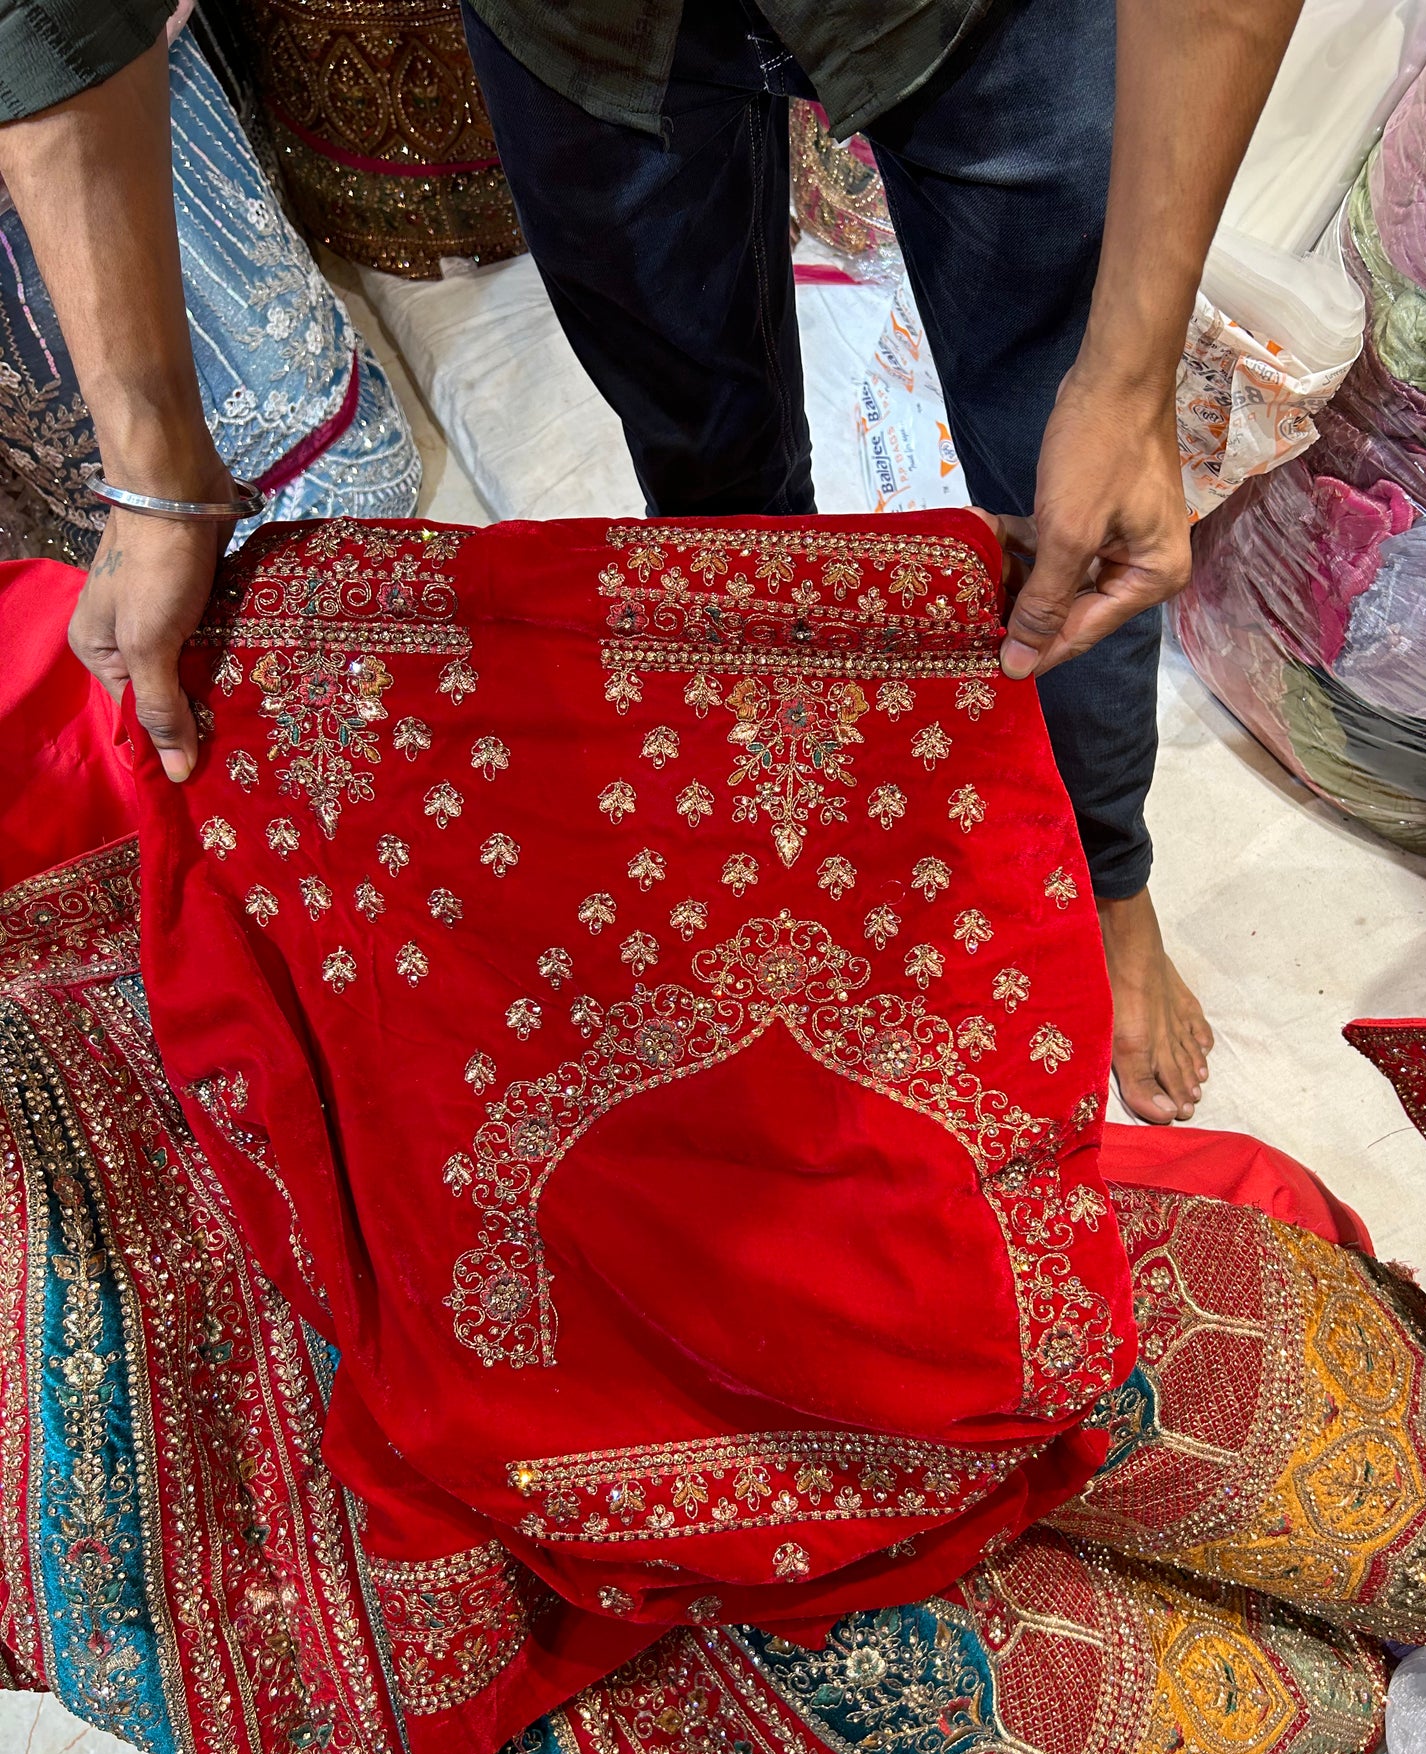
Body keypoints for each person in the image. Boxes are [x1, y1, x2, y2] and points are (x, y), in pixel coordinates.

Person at [0, 0, 1298, 1128]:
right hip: (580, 33)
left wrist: (1128, 377)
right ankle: (791, 813)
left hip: (984, 16)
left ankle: (1107, 877)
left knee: (1075, 501)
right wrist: (160, 457)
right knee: (706, 482)